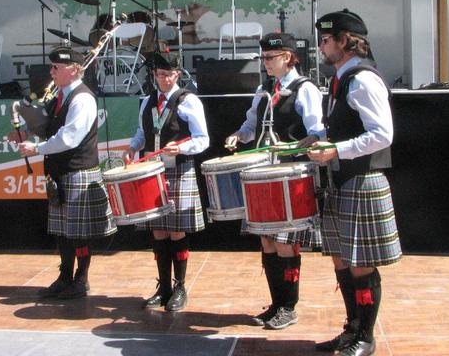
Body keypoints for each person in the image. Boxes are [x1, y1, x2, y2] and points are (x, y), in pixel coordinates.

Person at [308, 9, 402, 356]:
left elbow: (382, 135)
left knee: (361, 263)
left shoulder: (363, 79)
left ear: (345, 41)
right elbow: (340, 126)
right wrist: (316, 138)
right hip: (341, 180)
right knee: (341, 259)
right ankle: (352, 329)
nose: (320, 46)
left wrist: (336, 150)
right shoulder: (340, 79)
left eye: (326, 40)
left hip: (362, 181)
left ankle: (366, 336)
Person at [225, 32, 324, 330]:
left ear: (289, 57)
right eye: (263, 58)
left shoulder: (305, 89)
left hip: (290, 173)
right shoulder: (265, 90)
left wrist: (294, 147)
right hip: (265, 174)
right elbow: (251, 125)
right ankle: (277, 303)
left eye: (270, 57)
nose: (265, 62)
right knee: (267, 241)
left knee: (286, 244)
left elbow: (317, 133)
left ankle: (289, 306)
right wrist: (239, 135)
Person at [18, 46, 117, 299]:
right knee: (63, 231)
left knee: (79, 233)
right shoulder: (60, 96)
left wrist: (37, 148)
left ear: (73, 70)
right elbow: (51, 128)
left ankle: (81, 280)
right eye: (52, 67)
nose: (51, 72)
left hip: (77, 171)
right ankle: (64, 277)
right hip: (60, 172)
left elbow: (70, 137)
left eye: (56, 68)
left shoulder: (82, 99)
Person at [122, 51, 209, 312]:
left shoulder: (188, 101)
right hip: (153, 172)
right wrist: (132, 147)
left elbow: (202, 139)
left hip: (178, 171)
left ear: (178, 75)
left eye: (169, 75)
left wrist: (181, 149)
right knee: (158, 231)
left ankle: (180, 286)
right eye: (159, 75)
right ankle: (164, 288)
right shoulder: (147, 101)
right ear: (154, 75)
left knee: (177, 230)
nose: (164, 80)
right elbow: (142, 132)